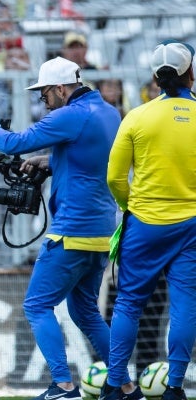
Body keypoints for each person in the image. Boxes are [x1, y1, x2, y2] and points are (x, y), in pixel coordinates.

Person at [0, 56, 122, 400]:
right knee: (84, 311)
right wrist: (50, 161)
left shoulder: (69, 115)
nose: (43, 101)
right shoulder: (108, 112)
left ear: (60, 89)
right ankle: (126, 385)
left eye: (44, 94)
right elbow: (89, 157)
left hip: (72, 230)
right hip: (101, 232)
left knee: (36, 306)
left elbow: (11, 143)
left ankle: (64, 386)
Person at [101, 39, 196, 400]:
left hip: (144, 223)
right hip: (190, 225)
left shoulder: (137, 117)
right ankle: (174, 387)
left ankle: (114, 384)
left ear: (156, 76)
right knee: (185, 304)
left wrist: (129, 207)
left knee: (128, 303)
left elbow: (113, 177)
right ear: (191, 72)